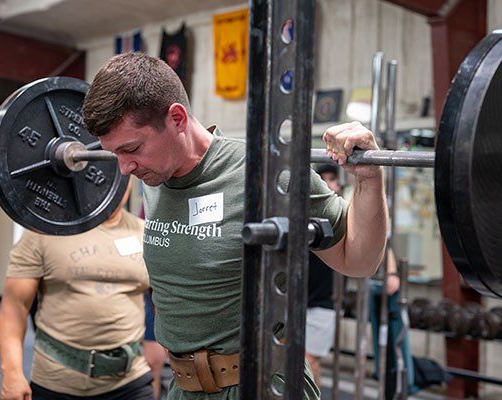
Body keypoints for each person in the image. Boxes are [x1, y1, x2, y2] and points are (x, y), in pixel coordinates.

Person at [81, 52, 388, 399]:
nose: (123, 169)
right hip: (182, 387)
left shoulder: (269, 173)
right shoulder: (153, 176)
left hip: (260, 384)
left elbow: (359, 259)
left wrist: (369, 178)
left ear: (177, 119)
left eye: (131, 148)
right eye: (115, 154)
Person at [0, 181, 154, 400]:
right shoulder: (45, 230)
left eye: (124, 176)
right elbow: (15, 307)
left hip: (130, 381)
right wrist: (11, 373)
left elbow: (165, 304)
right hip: (57, 383)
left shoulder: (146, 234)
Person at [304, 163, 400, 387]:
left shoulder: (345, 213)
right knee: (289, 364)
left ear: (338, 183)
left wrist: (393, 272)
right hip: (294, 300)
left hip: (325, 301)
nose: (328, 183)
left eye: (332, 178)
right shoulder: (302, 213)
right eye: (322, 179)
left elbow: (380, 243)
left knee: (308, 362)